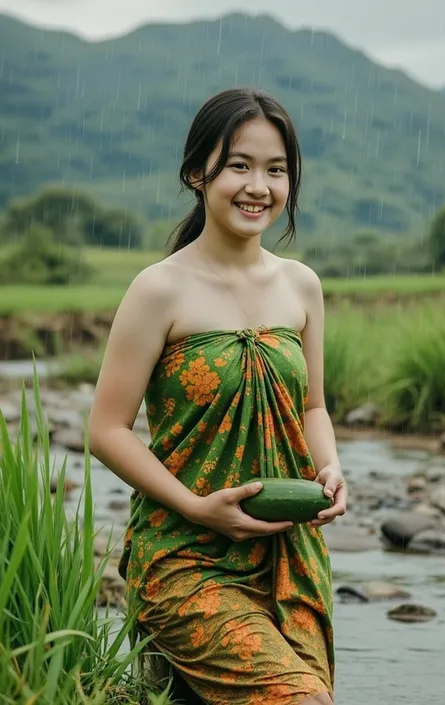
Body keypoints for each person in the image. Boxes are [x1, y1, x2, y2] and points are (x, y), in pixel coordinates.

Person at [88, 87, 347, 705]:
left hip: (290, 552)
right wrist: (198, 507)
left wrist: (330, 467)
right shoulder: (159, 290)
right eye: (239, 165)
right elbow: (106, 430)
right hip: (185, 554)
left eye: (276, 170)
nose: (259, 185)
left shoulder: (301, 286)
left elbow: (312, 406)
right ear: (196, 174)